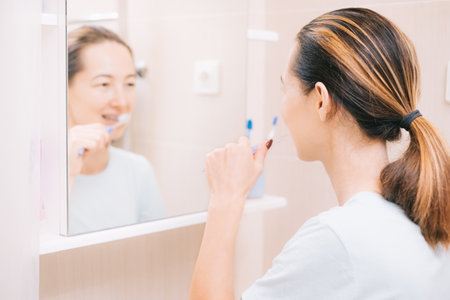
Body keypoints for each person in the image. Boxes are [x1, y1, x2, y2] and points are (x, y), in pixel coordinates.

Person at [189, 8, 450, 299]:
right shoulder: (427, 218)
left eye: (285, 88)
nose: (283, 109)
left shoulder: (338, 239)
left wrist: (225, 201)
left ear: (320, 102)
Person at [67, 26, 166, 235]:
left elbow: (156, 255)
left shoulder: (138, 171)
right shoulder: (30, 174)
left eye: (129, 84)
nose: (121, 102)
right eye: (104, 84)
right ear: (63, 88)